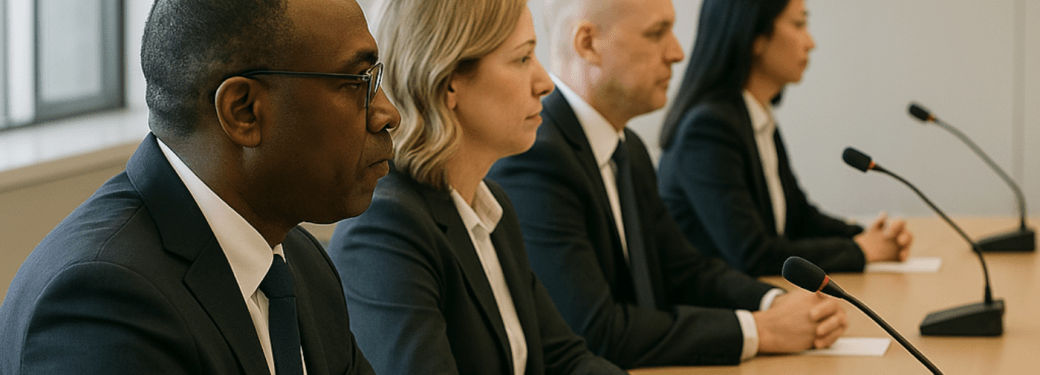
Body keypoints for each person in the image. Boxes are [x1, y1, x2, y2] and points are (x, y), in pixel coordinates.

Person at [0, 0, 398, 373]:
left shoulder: (303, 263)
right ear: (243, 111)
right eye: (358, 81)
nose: (387, 113)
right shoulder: (103, 303)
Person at [487, 0, 849, 368]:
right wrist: (760, 330)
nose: (677, 53)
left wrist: (775, 302)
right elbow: (596, 331)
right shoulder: (536, 158)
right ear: (588, 44)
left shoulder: (628, 149)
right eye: (656, 34)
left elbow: (686, 270)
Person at [327, 0, 626, 374]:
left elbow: (566, 360)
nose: (545, 83)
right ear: (448, 80)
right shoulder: (385, 228)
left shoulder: (489, 206)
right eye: (522, 59)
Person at [656, 0, 913, 277]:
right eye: (799, 24)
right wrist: (861, 250)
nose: (810, 42)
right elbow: (753, 254)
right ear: (756, 36)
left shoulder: (755, 115)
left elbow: (799, 218)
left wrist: (867, 236)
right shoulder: (708, 129)